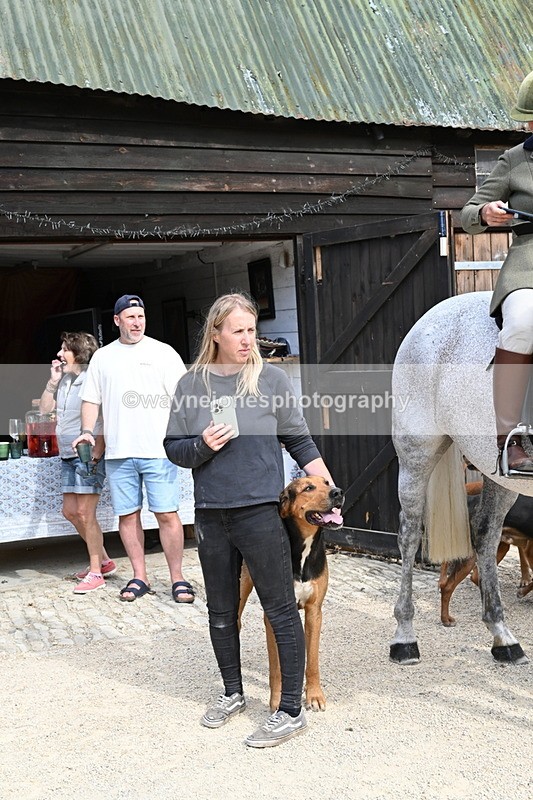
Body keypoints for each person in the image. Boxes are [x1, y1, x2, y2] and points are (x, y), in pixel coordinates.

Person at [164, 292, 339, 749]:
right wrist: (202, 445)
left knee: (280, 609)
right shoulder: (191, 385)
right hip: (210, 513)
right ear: (216, 333)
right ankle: (232, 693)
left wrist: (327, 488)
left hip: (261, 511)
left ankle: (291, 711)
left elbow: (299, 441)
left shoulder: (273, 380)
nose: (248, 340)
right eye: (238, 331)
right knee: (221, 611)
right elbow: (173, 448)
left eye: (251, 330)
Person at [72, 294, 193, 602]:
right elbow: (91, 400)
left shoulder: (163, 352)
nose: (137, 322)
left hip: (158, 450)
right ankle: (140, 577)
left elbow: (184, 398)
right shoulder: (103, 358)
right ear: (117, 321)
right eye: (130, 317)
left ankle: (178, 579)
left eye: (141, 316)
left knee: (167, 515)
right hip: (118, 453)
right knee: (128, 517)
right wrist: (87, 431)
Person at [461, 69, 533, 472]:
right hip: (529, 260)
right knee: (523, 322)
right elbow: (468, 213)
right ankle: (508, 439)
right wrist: (486, 213)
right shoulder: (515, 160)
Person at [39, 332, 116, 594]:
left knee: (85, 513)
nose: (60, 354)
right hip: (67, 455)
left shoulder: (92, 379)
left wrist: (98, 452)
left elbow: (105, 417)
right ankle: (104, 561)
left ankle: (96, 572)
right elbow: (45, 409)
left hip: (87, 453)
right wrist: (53, 381)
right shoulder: (66, 380)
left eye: (64, 350)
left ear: (79, 353)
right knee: (70, 511)